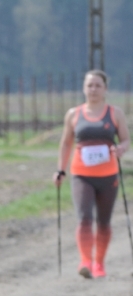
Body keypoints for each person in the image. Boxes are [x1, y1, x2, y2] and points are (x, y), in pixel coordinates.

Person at [54, 69, 130, 279]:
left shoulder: (115, 113)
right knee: (84, 218)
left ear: (105, 89)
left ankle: (99, 264)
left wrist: (122, 148)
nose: (93, 89)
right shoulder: (74, 114)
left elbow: (125, 139)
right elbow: (66, 143)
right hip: (81, 174)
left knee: (103, 222)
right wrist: (60, 170)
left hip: (108, 174)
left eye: (98, 85)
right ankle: (85, 261)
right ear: (83, 88)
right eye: (89, 85)